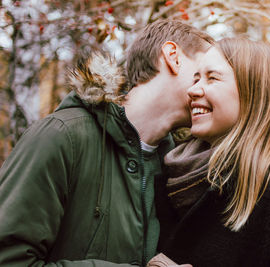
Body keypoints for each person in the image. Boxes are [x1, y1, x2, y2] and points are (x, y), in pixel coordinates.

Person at [0, 20, 213, 266]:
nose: (210, 88)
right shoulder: (61, 137)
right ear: (173, 56)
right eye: (206, 73)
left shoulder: (178, 169)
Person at [153, 38, 270, 267]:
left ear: (255, 92)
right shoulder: (165, 168)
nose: (192, 90)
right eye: (196, 78)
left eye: (212, 78)